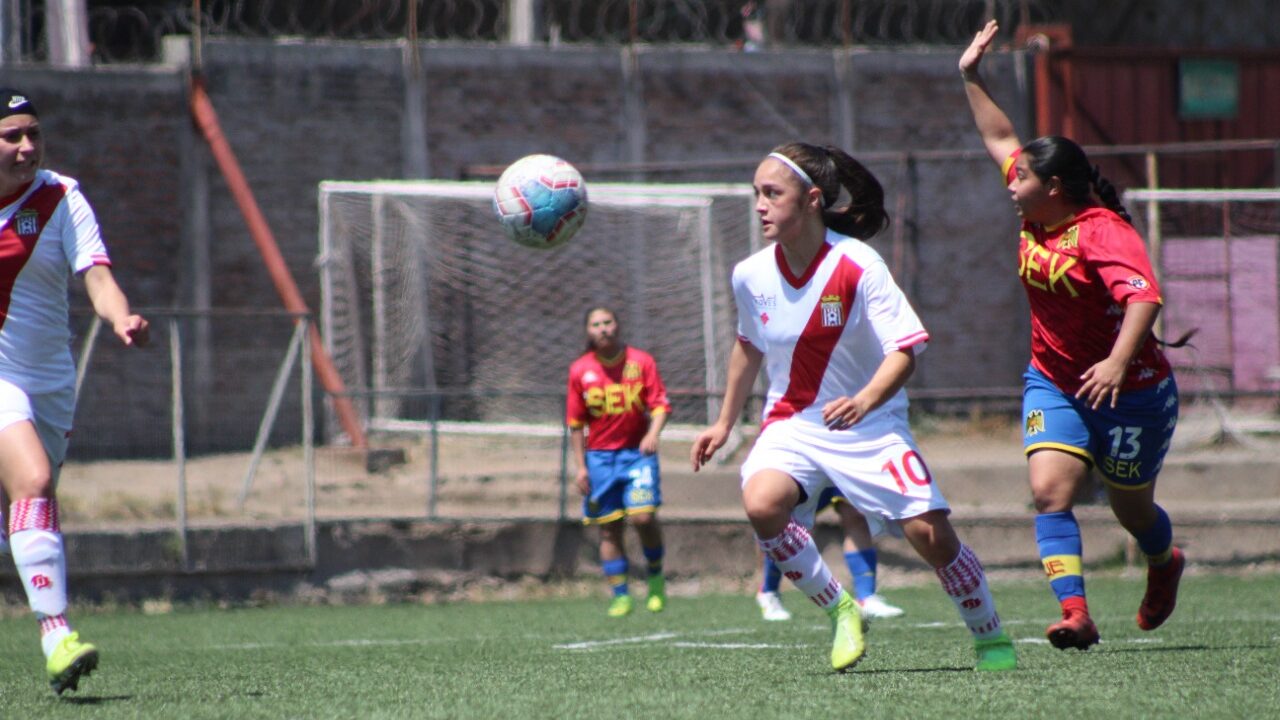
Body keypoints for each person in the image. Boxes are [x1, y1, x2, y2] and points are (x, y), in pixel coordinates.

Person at [691, 142, 1016, 672]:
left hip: (870, 423)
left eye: (772, 193)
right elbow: (748, 344)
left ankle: (991, 637)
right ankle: (841, 609)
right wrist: (725, 422)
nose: (759, 205)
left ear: (812, 199)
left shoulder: (859, 264)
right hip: (792, 421)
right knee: (762, 504)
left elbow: (905, 349)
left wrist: (865, 400)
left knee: (929, 534)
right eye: (756, 193)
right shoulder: (750, 274)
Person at [959, 21, 1185, 651]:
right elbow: (1000, 134)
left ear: (1052, 188)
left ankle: (1164, 563)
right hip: (1054, 380)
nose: (1010, 180)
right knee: (1048, 491)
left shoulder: (1101, 230)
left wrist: (1115, 363)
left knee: (1131, 510)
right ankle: (1076, 613)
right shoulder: (1039, 211)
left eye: (1020, 177)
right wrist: (970, 74)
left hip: (1131, 390)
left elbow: (1145, 297)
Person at [0, 89, 150, 694]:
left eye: (34, 133)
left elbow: (97, 276)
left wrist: (120, 317)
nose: (27, 146)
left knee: (29, 505)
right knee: (33, 481)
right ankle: (57, 635)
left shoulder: (61, 197)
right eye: (12, 136)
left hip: (50, 386)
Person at [566, 307, 671, 617]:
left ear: (618, 324)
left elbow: (661, 405)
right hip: (599, 459)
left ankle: (655, 577)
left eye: (607, 322)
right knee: (609, 529)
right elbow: (575, 423)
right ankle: (620, 595)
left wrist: (653, 433)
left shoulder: (641, 362)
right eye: (595, 324)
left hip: (637, 455)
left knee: (643, 518)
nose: (603, 329)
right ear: (588, 331)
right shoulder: (580, 371)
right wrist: (580, 466)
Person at [756, 487, 905, 621]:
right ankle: (769, 592)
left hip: (841, 458)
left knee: (857, 515)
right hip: (809, 462)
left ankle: (866, 597)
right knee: (787, 524)